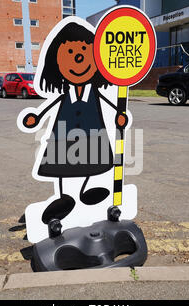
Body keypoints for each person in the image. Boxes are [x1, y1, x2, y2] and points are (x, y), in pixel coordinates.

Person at [21, 21, 127, 224]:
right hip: (64, 132)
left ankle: (86, 190)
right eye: (69, 51)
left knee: (92, 158)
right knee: (62, 162)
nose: (79, 57)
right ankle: (64, 197)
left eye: (85, 50)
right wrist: (37, 117)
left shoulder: (96, 93)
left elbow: (111, 105)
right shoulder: (64, 94)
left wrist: (119, 116)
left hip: (92, 132)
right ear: (56, 61)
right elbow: (50, 105)